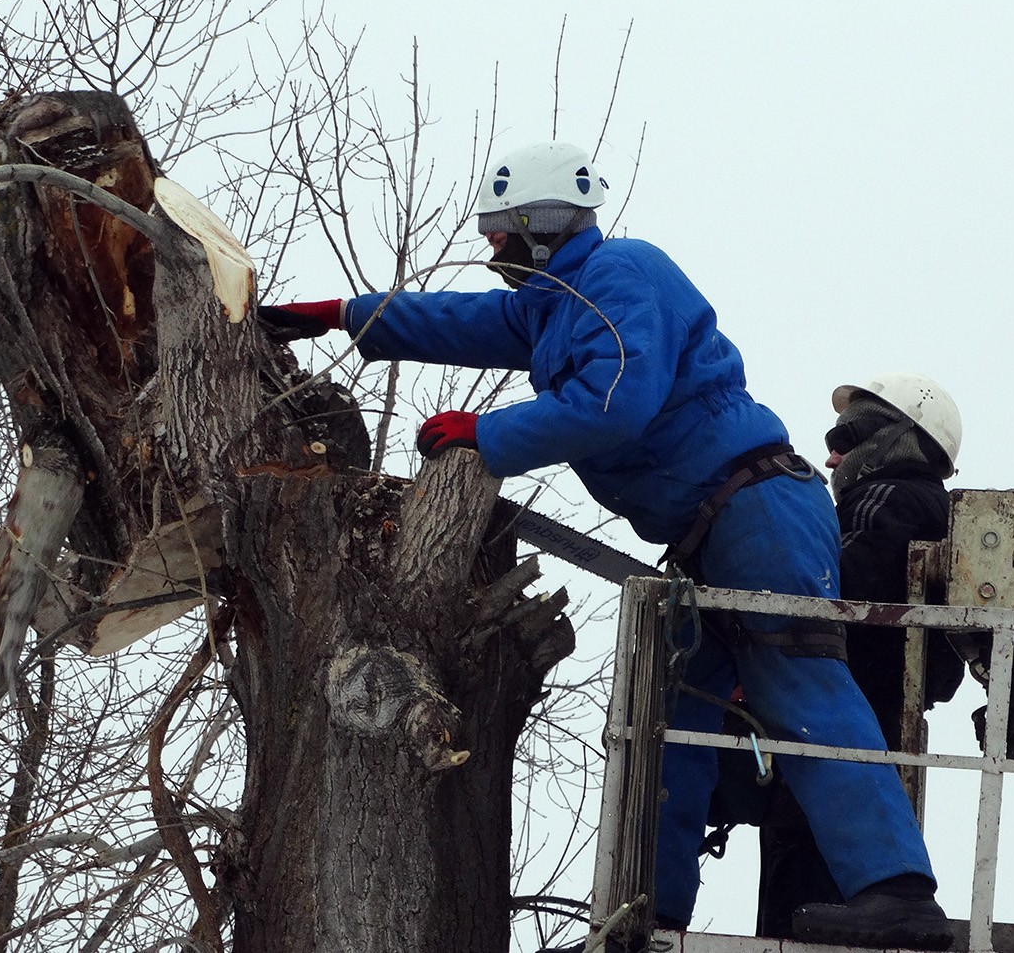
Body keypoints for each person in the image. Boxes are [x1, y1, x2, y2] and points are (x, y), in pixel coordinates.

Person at [260, 141, 952, 949]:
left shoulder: (621, 276)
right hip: (713, 531)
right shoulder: (552, 304)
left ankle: (898, 889)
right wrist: (347, 315)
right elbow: (458, 317)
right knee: (674, 718)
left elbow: (614, 402)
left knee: (801, 686)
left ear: (540, 227)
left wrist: (489, 433)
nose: (491, 250)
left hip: (757, 508)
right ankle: (655, 911)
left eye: (501, 234)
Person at [753, 375, 965, 938]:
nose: (830, 455)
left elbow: (833, 580)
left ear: (893, 438)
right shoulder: (933, 512)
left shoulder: (890, 496)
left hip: (838, 712)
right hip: (877, 720)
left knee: (802, 867)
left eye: (846, 436)